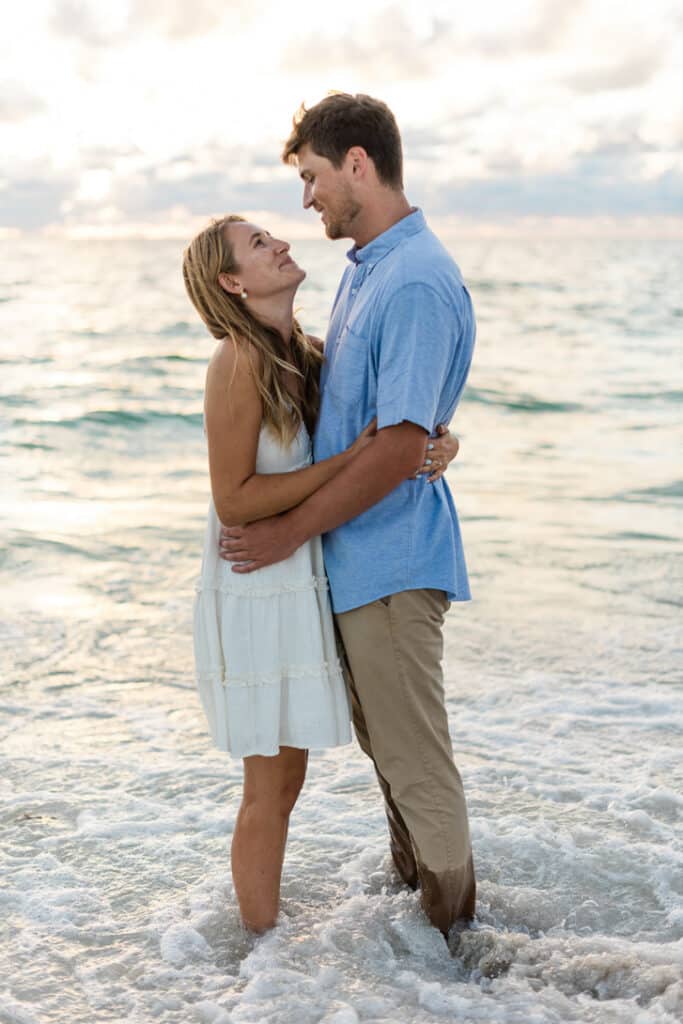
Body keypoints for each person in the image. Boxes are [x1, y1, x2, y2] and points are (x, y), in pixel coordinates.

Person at [218, 93, 478, 946]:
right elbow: (382, 424)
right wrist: (429, 440)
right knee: (395, 768)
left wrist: (292, 530)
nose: (306, 202)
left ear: (357, 164)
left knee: (416, 768)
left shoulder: (409, 279)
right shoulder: (369, 271)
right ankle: (431, 952)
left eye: (313, 178)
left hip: (393, 564)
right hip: (360, 565)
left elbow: (398, 443)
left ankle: (467, 958)